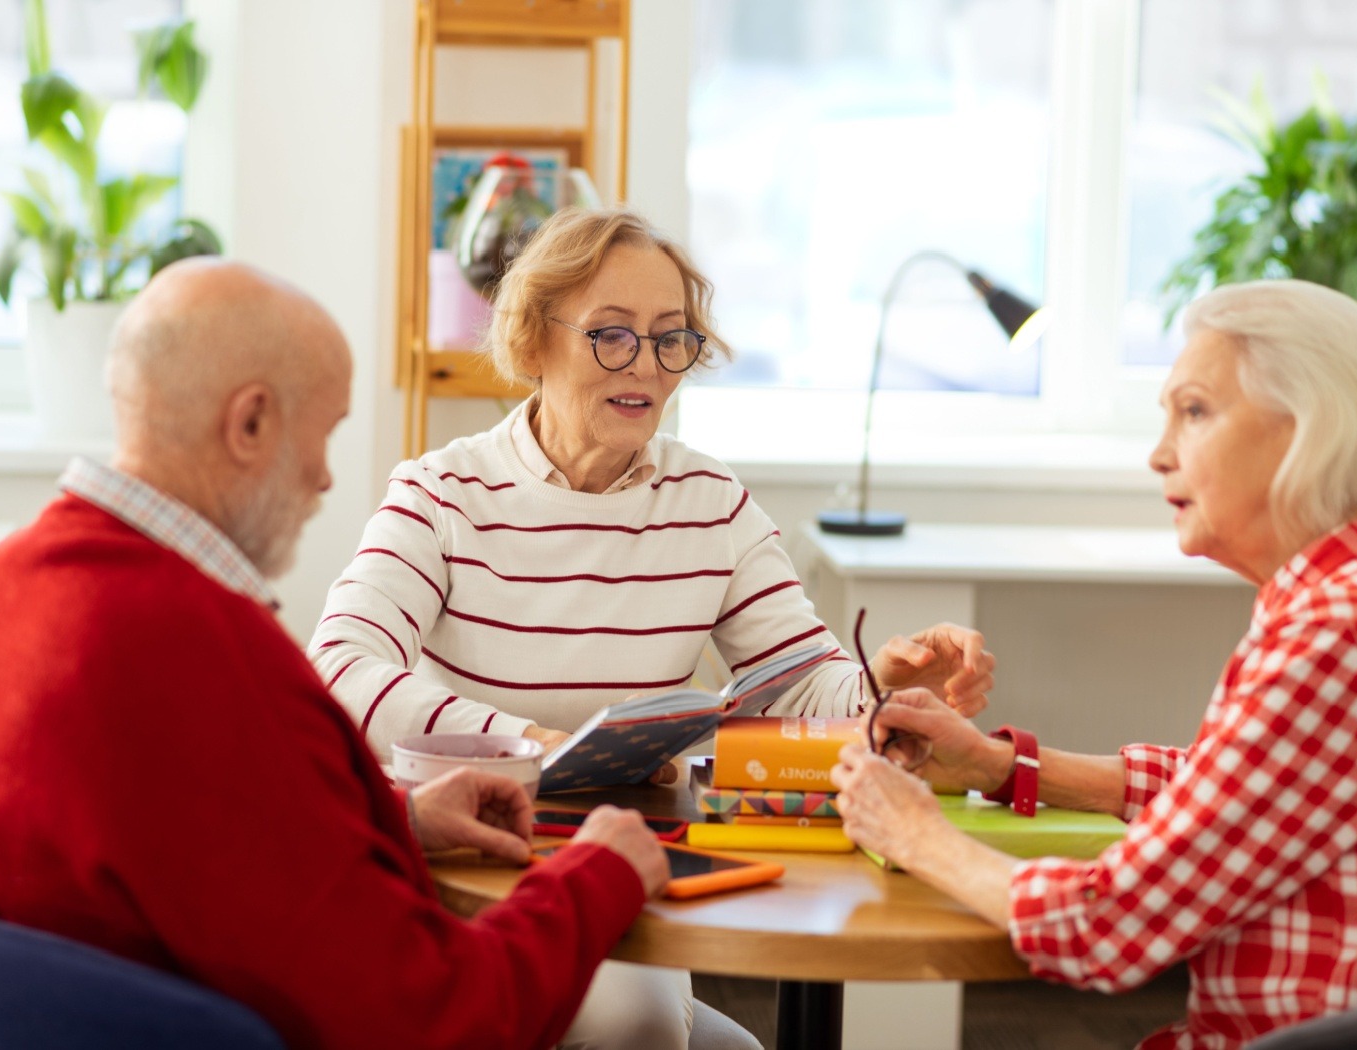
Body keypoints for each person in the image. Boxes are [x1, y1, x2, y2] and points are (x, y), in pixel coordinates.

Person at [0, 258, 674, 1050]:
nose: (327, 477)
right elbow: (434, 1021)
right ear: (252, 423)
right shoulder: (214, 658)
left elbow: (165, 842)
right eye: (326, 431)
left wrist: (393, 818)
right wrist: (598, 873)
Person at [310, 206, 997, 1048]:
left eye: (671, 338)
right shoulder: (441, 494)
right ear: (532, 342)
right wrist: (525, 741)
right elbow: (341, 666)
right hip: (482, 868)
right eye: (611, 335)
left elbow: (805, 685)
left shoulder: (710, 504)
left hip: (629, 863)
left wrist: (889, 679)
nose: (647, 365)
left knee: (680, 1034)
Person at [831, 278, 1357, 1049]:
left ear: (1306, 432)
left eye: (1193, 412)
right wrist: (999, 766)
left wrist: (916, 834)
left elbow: (1109, 924)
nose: (1159, 453)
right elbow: (1241, 795)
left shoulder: (1342, 631)